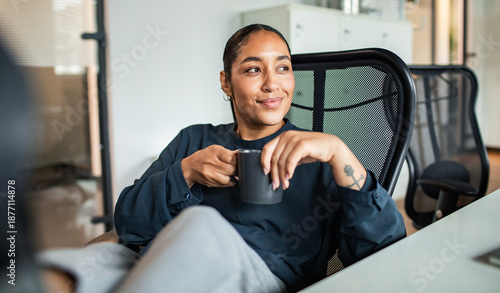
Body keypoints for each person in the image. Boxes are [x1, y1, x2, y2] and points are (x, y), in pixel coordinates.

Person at [38, 24, 406, 293]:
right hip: (156, 262)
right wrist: (185, 172)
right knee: (67, 268)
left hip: (259, 278)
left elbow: (386, 253)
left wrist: (340, 152)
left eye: (283, 67)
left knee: (201, 224)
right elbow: (128, 221)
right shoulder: (194, 139)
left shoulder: (318, 155)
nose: (272, 83)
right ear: (226, 83)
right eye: (252, 69)